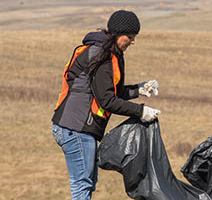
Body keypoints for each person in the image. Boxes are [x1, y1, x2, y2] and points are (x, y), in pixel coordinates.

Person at [51, 10, 161, 200]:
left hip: (77, 127)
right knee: (82, 185)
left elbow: (109, 92)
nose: (133, 41)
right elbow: (107, 101)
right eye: (130, 37)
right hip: (75, 128)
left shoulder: (107, 52)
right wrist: (141, 111)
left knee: (87, 183)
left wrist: (139, 89)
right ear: (118, 33)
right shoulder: (101, 55)